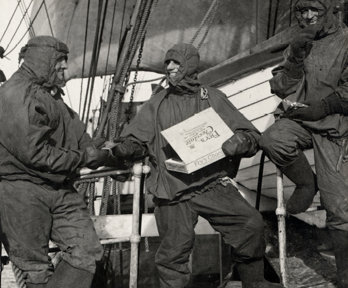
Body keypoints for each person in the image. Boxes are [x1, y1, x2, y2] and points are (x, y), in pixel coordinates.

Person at [110, 43, 283, 288]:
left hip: (210, 183)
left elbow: (250, 134)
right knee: (173, 253)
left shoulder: (213, 97)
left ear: (189, 65)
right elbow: (135, 139)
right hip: (172, 190)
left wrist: (241, 141)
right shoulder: (156, 104)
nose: (169, 67)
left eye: (176, 63)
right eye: (167, 63)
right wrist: (127, 148)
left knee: (250, 224)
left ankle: (254, 281)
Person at [0, 36, 117, 288]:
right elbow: (35, 153)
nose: (65, 69)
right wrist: (86, 157)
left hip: (60, 188)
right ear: (43, 61)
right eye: (60, 63)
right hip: (22, 192)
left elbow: (77, 136)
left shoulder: (52, 97)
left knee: (87, 252)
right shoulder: (14, 95)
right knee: (35, 271)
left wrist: (105, 153)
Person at [259, 0, 348, 287]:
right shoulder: (300, 41)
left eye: (314, 11)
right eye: (301, 10)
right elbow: (282, 87)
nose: (307, 16)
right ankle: (306, 184)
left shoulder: (345, 41)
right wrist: (296, 55)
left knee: (339, 209)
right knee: (272, 139)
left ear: (332, 12)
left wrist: (323, 107)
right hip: (301, 120)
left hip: (335, 125)